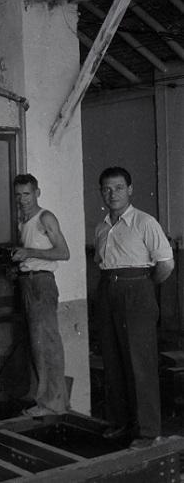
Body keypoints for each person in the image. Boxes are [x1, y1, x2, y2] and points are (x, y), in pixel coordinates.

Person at [94, 166, 173, 449]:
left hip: (137, 290)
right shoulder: (102, 226)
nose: (111, 194)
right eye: (106, 188)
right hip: (107, 290)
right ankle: (122, 423)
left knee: (140, 364)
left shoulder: (145, 222)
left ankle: (149, 433)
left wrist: (142, 287)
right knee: (113, 362)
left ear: (130, 190)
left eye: (117, 188)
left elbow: (165, 265)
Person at [12, 174, 70, 417]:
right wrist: (18, 264)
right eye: (18, 194)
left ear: (37, 192)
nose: (22, 199)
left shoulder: (45, 217)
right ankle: (44, 400)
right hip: (27, 283)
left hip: (42, 284)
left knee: (47, 343)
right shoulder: (22, 220)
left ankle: (53, 403)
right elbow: (30, 255)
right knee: (36, 344)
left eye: (27, 194)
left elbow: (63, 253)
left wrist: (29, 253)